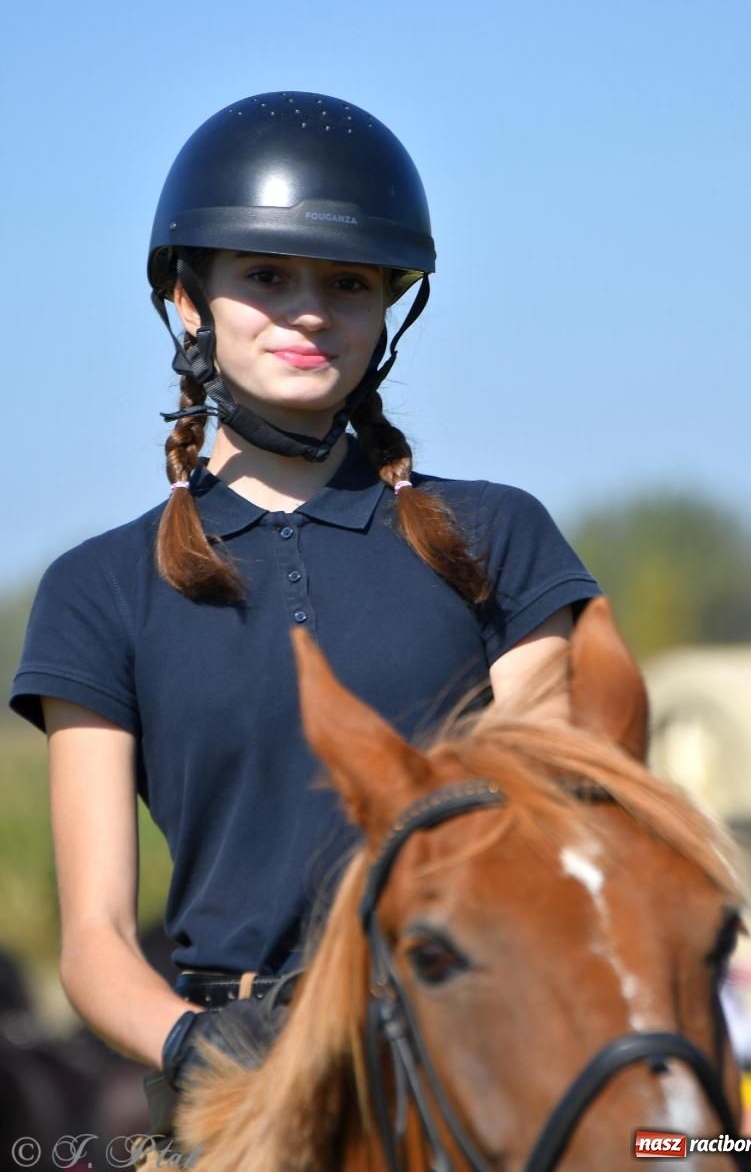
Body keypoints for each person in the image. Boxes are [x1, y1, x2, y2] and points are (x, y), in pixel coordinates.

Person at [10, 91, 600, 1139]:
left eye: (348, 284)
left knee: (713, 1151)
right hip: (239, 1082)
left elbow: (553, 840)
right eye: (266, 276)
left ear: (387, 310)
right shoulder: (96, 589)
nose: (310, 311)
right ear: (189, 301)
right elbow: (95, 940)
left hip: (468, 1057)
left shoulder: (497, 537)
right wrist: (200, 1045)